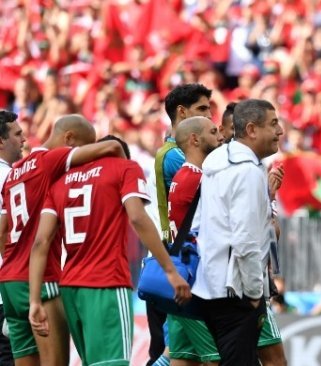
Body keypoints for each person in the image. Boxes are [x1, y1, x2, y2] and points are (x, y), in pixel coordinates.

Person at [27, 135, 191, 366]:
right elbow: (137, 217)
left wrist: (34, 300)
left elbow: (41, 241)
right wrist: (170, 270)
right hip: (106, 283)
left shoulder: (60, 182)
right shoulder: (125, 168)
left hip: (70, 287)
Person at [0, 114, 126, 366]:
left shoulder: (14, 174)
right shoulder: (48, 160)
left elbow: (2, 232)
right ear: (68, 139)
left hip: (9, 280)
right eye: (82, 148)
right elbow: (113, 147)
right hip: (38, 277)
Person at [192, 99, 283, 366]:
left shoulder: (218, 161)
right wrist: (255, 293)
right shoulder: (247, 171)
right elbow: (245, 239)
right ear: (252, 130)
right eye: (274, 124)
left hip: (213, 283)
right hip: (237, 290)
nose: (280, 131)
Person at [150, 83, 212, 366]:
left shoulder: (171, 152)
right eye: (202, 109)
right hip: (180, 263)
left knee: (178, 352)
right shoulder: (178, 158)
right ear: (182, 112)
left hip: (177, 259)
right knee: (185, 352)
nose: (210, 117)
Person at [160, 116, 223, 366]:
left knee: (182, 360)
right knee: (213, 359)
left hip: (181, 275)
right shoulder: (199, 178)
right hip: (194, 281)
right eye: (213, 131)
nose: (220, 136)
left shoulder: (181, 176)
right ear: (195, 139)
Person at [0, 110, 25, 366]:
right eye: (17, 134)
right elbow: (4, 231)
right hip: (6, 287)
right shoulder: (8, 177)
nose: (24, 139)